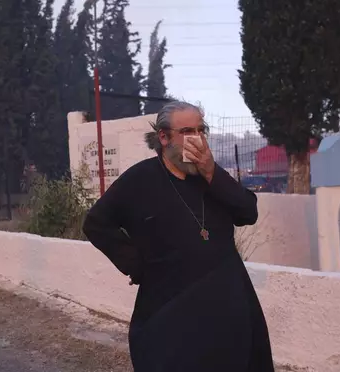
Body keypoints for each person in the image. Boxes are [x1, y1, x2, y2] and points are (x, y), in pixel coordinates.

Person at [82, 101, 275, 371]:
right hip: (170, 312)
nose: (196, 138)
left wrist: (211, 172)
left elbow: (248, 213)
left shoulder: (211, 178)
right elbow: (96, 224)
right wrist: (137, 265)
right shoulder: (140, 180)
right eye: (187, 131)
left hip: (228, 310)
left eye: (201, 130)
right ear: (164, 137)